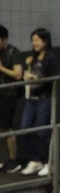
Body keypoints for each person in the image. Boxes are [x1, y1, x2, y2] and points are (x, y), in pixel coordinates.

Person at [19, 28, 58, 177]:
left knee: (43, 131)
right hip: (32, 98)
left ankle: (49, 163)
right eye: (32, 40)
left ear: (45, 42)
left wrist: (36, 80)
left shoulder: (50, 58)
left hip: (45, 98)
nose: (33, 43)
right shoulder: (32, 59)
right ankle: (35, 160)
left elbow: (53, 79)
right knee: (25, 128)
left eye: (36, 40)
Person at [0, 25, 25, 173]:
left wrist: (2, 69)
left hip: (9, 94)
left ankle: (13, 159)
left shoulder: (13, 52)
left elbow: (17, 74)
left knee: (7, 127)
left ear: (4, 40)